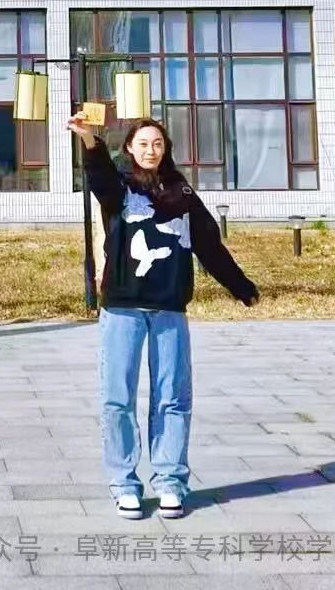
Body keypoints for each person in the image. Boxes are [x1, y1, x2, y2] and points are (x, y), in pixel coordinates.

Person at [67, 112, 260, 520]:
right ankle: (124, 484)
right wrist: (88, 139)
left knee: (172, 398)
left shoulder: (182, 193)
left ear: (166, 148)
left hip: (170, 308)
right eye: (142, 144)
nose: (150, 150)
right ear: (129, 149)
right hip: (123, 308)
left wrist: (241, 287)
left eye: (157, 144)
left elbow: (209, 245)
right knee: (117, 399)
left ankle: (170, 481)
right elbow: (100, 178)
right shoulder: (120, 188)